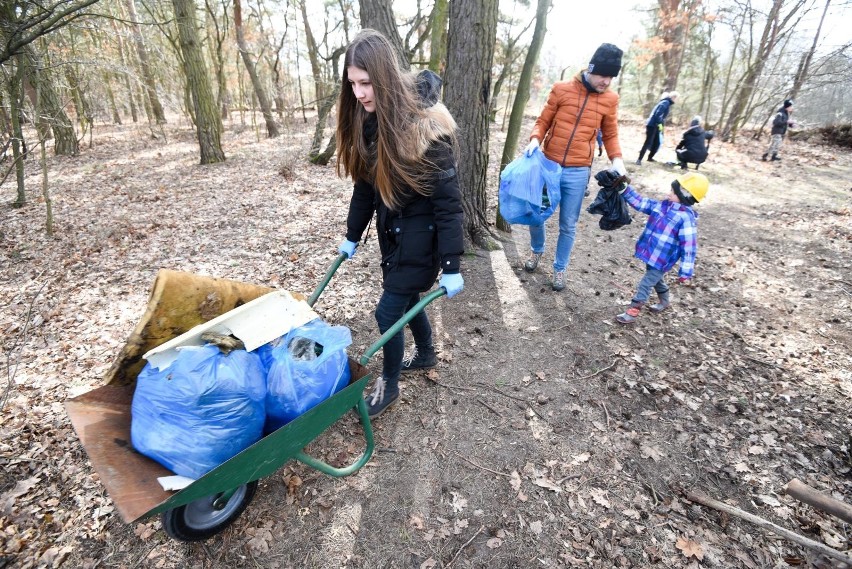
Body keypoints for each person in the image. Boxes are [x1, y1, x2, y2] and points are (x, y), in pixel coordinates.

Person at [335, 29, 465, 418]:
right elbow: (364, 189)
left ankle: (389, 381)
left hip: (422, 241)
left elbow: (449, 205)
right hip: (393, 234)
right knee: (406, 300)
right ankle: (426, 354)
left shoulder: (426, 130)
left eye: (367, 83)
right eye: (353, 83)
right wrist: (351, 235)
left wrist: (451, 265)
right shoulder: (369, 122)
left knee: (387, 313)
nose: (359, 93)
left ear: (385, 77)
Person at [522, 42, 627, 292]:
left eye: (612, 76)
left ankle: (559, 269)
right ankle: (537, 251)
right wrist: (535, 140)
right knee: (536, 215)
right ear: (591, 69)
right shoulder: (561, 89)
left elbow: (610, 134)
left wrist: (618, 160)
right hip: (549, 165)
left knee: (568, 224)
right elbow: (543, 120)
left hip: (578, 171)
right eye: (603, 74)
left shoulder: (610, 99)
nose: (607, 81)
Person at [596, 170, 709, 324]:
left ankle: (633, 310)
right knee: (655, 278)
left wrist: (686, 271)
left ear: (685, 195)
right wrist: (624, 189)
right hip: (652, 253)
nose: (669, 193)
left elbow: (689, 247)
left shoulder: (686, 218)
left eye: (673, 191)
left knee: (646, 282)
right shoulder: (662, 206)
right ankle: (664, 300)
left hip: (663, 259)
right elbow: (641, 203)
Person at [636, 91, 679, 165]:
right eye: (676, 98)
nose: (676, 100)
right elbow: (658, 114)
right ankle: (639, 159)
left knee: (657, 142)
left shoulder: (666, 103)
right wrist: (659, 124)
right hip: (652, 125)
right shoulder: (665, 103)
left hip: (656, 125)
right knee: (648, 142)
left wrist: (660, 125)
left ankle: (650, 157)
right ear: (673, 97)